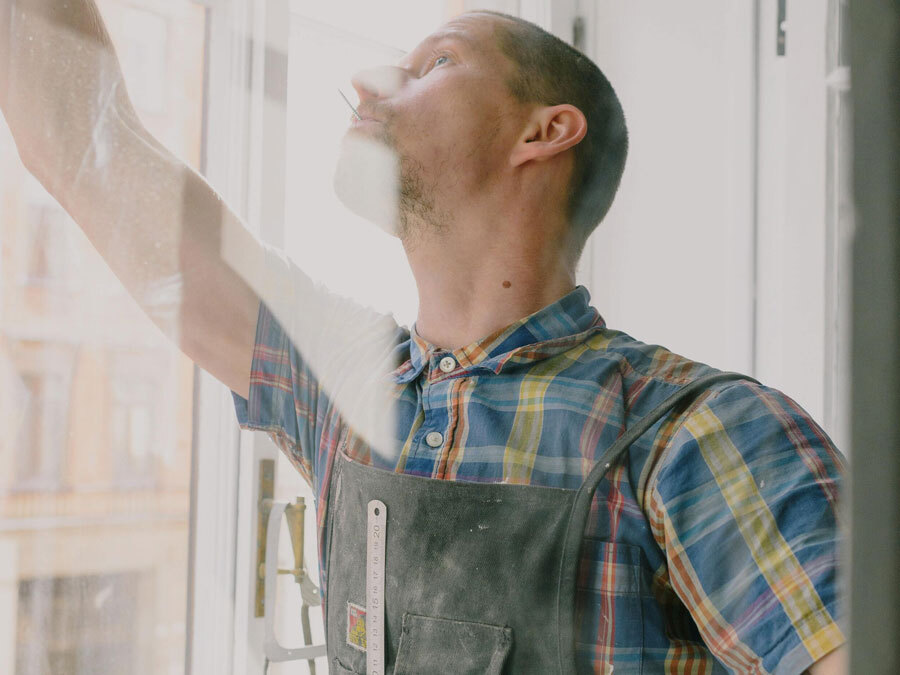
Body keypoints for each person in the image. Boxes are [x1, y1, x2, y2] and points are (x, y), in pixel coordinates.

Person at [0, 3, 846, 673]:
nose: (368, 85)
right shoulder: (344, 382)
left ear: (544, 132)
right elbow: (85, 142)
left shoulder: (699, 431)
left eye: (434, 63)